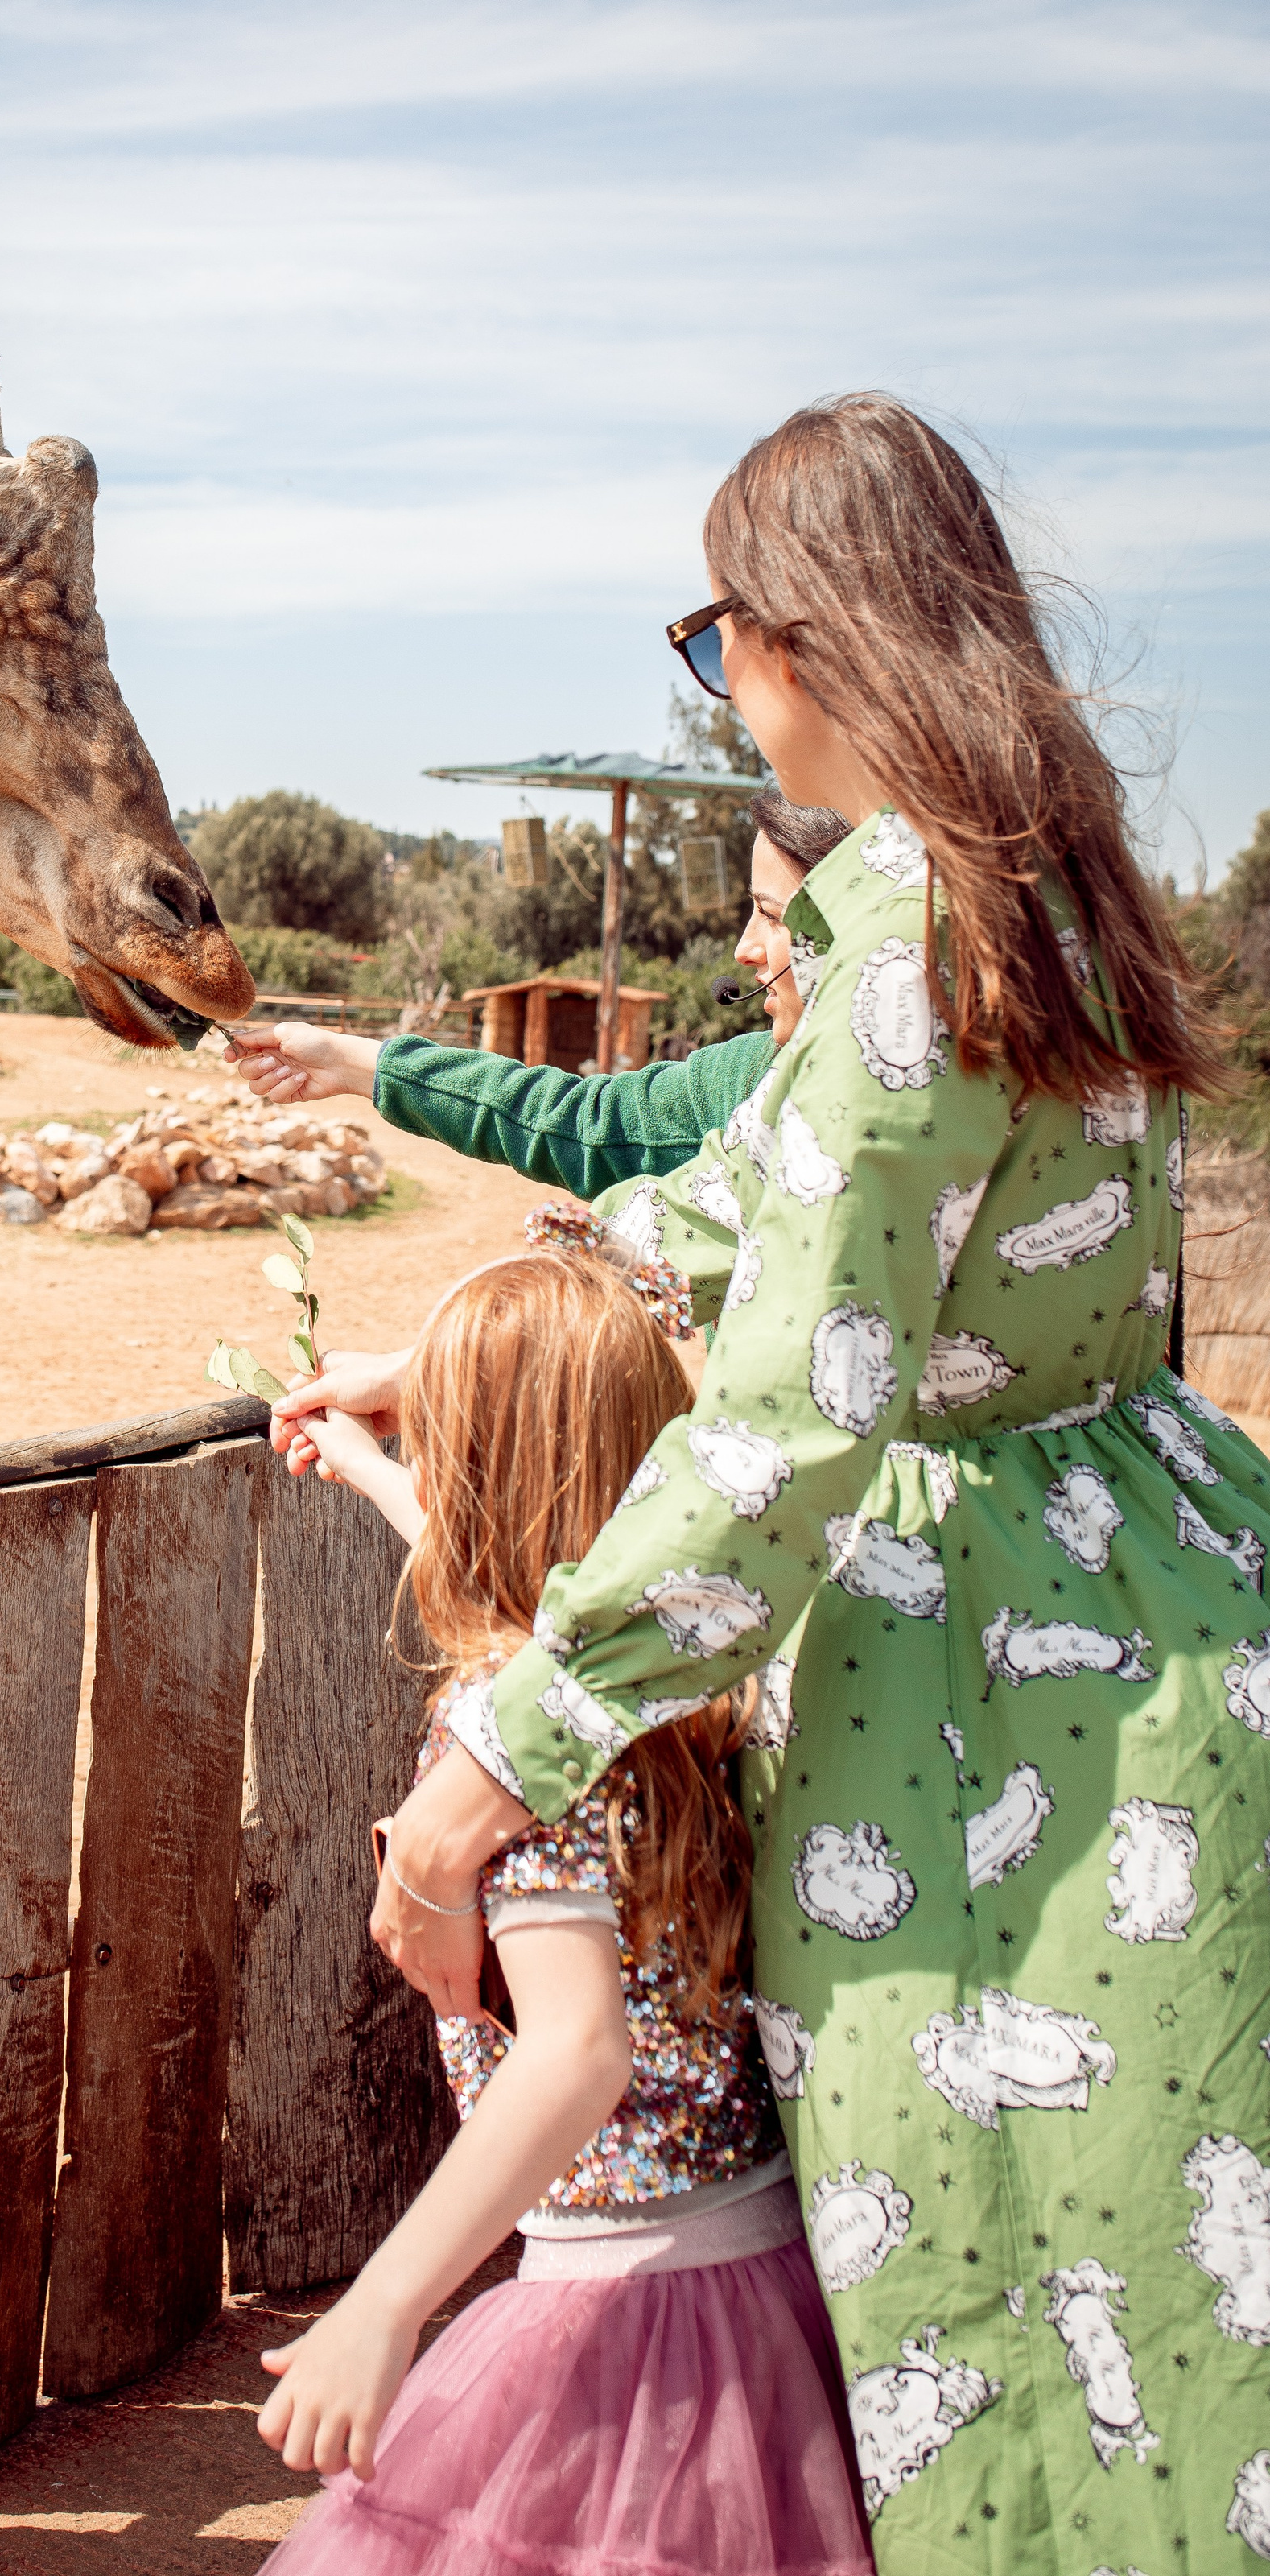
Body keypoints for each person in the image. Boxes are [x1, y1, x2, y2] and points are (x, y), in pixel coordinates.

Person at [275, 396, 1270, 2571]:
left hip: (989, 1712)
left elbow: (789, 1430)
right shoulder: (1045, 890)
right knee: (1174, 2311)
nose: (718, 680)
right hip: (1162, 1621)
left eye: (710, 631)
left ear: (800, 633)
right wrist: (448, 1366)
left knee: (1016, 2313)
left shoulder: (904, 933)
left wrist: (488, 1773)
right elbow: (763, 1210)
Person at [254, 1245, 873, 2576]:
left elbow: (576, 2054)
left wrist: (384, 2305)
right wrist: (373, 1471)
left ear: (475, 1480)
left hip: (622, 2314)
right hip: (763, 2273)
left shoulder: (505, 1745)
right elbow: (556, 1616)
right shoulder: (689, 1669)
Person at [222, 786, 851, 1202]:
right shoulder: (745, 1079)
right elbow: (572, 1119)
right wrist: (349, 1060)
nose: (744, 947)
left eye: (771, 915)